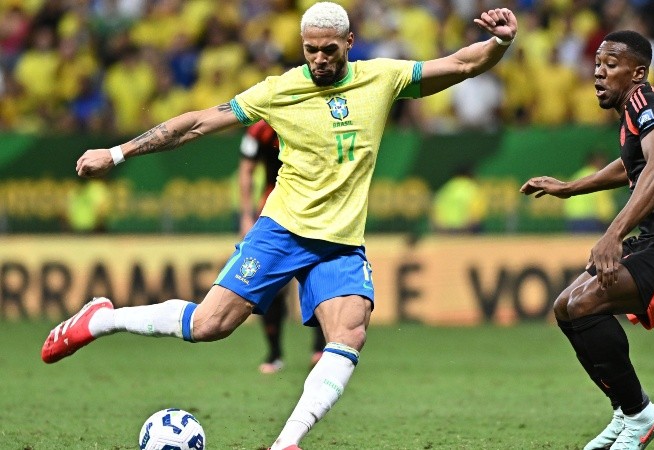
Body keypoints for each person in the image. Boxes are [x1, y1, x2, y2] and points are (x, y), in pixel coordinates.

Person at [41, 3, 518, 450]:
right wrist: (117, 153)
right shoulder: (279, 90)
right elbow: (197, 124)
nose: (319, 59)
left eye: (329, 50)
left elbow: (461, 64)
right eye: (310, 49)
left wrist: (499, 42)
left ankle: (285, 442)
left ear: (349, 43)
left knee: (349, 334)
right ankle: (100, 319)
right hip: (282, 230)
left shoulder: (382, 77)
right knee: (209, 325)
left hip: (340, 243)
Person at [520, 30, 654, 450]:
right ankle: (627, 410)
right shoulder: (636, 111)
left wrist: (612, 235)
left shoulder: (645, 102)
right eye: (597, 64)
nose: (599, 72)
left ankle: (640, 414)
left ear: (638, 73)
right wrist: (571, 188)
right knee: (565, 307)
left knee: (584, 305)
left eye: (610, 64)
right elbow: (632, 163)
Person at [238, 120, 326, 373]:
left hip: (313, 208)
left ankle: (320, 347)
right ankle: (275, 352)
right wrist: (246, 215)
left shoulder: (316, 117)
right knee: (273, 285)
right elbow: (246, 169)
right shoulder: (262, 128)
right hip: (274, 211)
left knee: (317, 276)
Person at [563, 151, 616, 234]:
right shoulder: (600, 177)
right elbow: (604, 206)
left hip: (573, 219)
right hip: (591, 220)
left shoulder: (578, 175)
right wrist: (611, 221)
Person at [430, 165, 487, 234]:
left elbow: (436, 208)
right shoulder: (472, 188)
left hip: (445, 229)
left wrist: (440, 227)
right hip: (466, 229)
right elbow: (476, 212)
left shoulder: (446, 187)